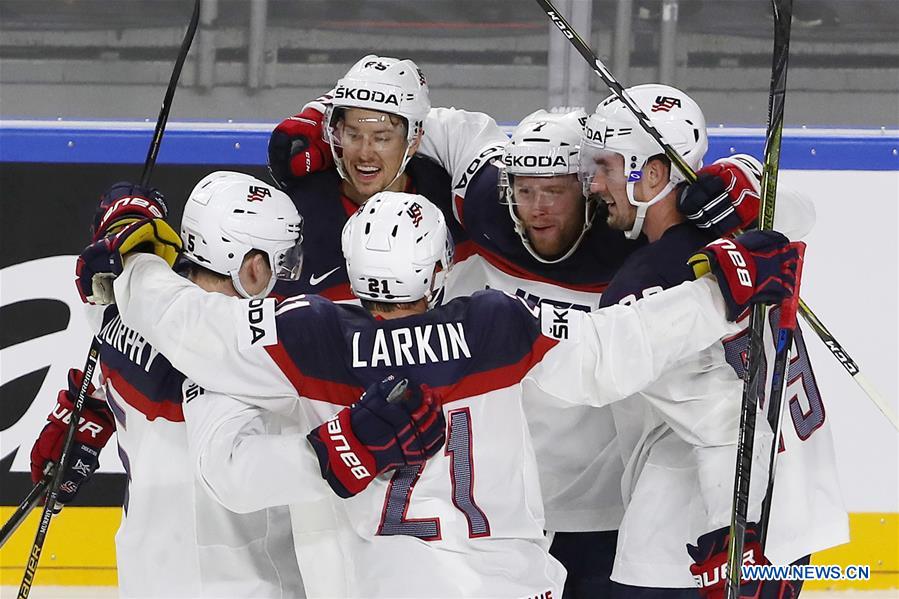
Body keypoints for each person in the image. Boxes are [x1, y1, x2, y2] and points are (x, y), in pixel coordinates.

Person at [74, 180, 802, 598]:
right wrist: (721, 294)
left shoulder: (305, 338)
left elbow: (182, 319)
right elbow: (610, 350)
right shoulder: (497, 322)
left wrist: (128, 260)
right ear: (439, 270)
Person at [580, 83, 848, 598]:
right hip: (786, 506)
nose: (593, 184)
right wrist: (744, 180)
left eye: (608, 166)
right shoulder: (753, 236)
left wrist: (734, 533)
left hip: (699, 536)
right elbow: (797, 212)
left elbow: (722, 424)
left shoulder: (648, 282)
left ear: (654, 173)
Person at [30, 174, 308, 598]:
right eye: (281, 260)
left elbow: (130, 363)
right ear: (250, 266)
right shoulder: (249, 351)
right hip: (247, 583)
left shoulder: (121, 307)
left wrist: (82, 414)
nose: (288, 275)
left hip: (147, 576)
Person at [268, 54, 491, 302]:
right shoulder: (295, 219)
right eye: (353, 135)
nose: (365, 153)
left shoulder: (457, 202)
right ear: (337, 133)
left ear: (415, 140)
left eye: (382, 138)